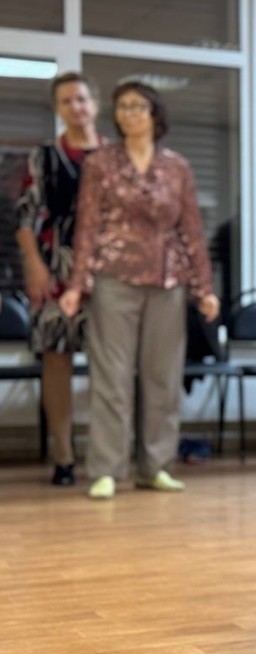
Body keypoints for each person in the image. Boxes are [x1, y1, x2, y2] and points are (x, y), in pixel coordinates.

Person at [60, 81, 220, 500]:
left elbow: (191, 230)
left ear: (154, 114)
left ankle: (156, 466)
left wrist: (204, 287)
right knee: (111, 377)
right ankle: (107, 470)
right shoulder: (100, 163)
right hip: (113, 276)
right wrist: (77, 284)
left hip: (168, 280)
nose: (128, 113)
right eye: (122, 106)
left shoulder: (177, 166)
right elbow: (88, 226)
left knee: (162, 378)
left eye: (137, 106)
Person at [16, 72, 106, 487]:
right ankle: (64, 454)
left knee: (113, 365)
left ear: (95, 104)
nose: (76, 107)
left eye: (82, 99)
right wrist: (34, 265)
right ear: (58, 108)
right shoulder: (44, 157)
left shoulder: (116, 156)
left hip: (109, 272)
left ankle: (110, 454)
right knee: (57, 358)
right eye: (67, 101)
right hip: (55, 270)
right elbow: (26, 217)